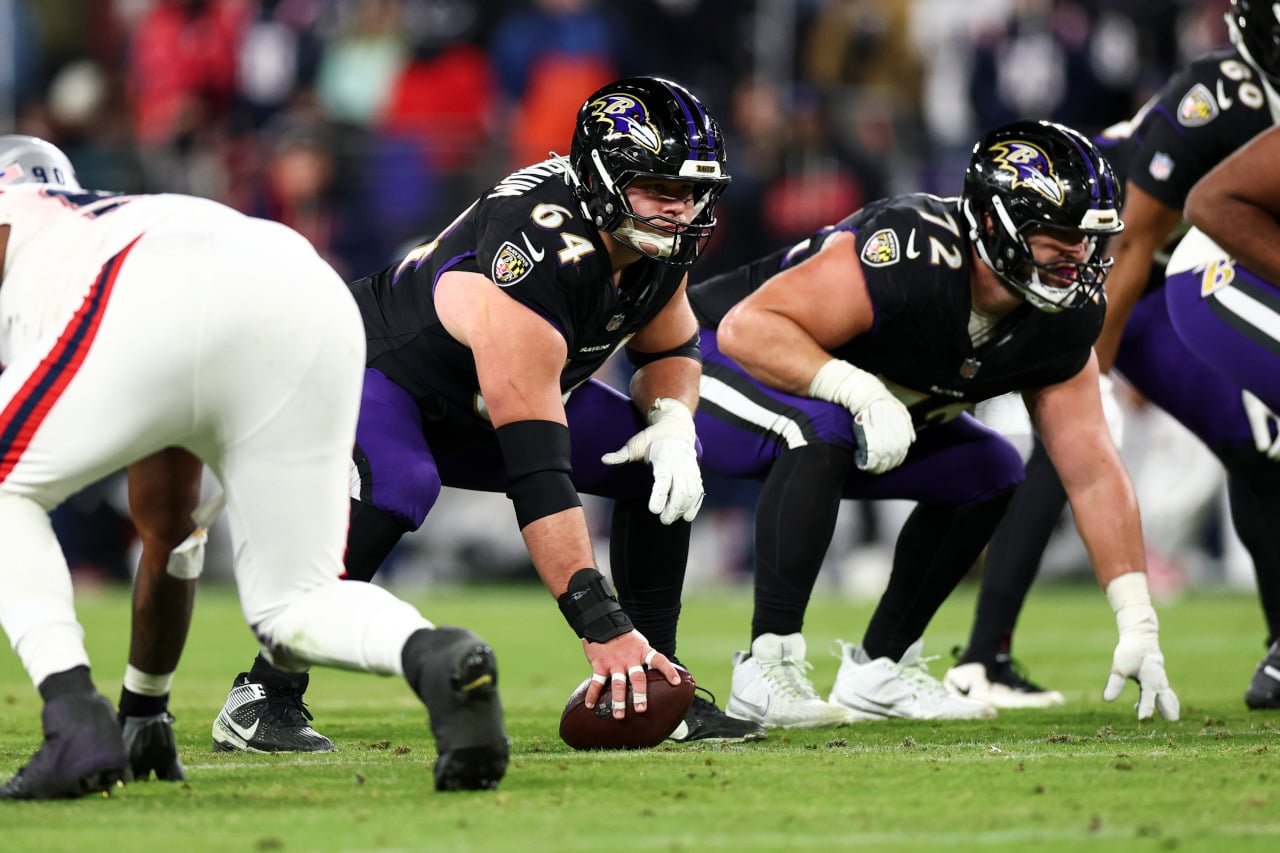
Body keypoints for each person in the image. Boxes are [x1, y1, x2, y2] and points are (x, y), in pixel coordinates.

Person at [196, 76, 765, 751]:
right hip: (378, 367)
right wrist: (600, 625)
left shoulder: (648, 241)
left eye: (692, 192)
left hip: (486, 393)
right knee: (401, 481)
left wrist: (672, 421)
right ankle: (264, 692)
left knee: (653, 460)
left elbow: (669, 346)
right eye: (659, 189)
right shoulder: (536, 256)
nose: (680, 210)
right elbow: (538, 474)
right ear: (600, 179)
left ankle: (652, 682)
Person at [0, 135, 508, 799]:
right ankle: (437, 655)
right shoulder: (112, 219)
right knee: (294, 600)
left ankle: (71, 715)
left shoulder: (30, 224)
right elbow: (170, 527)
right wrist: (145, 707)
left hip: (156, 292)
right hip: (306, 286)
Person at [685, 119, 1180, 728]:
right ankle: (768, 667)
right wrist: (858, 390)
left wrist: (1137, 619)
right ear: (994, 224)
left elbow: (1093, 471)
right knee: (824, 422)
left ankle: (880, 667)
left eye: (1090, 239)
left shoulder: (1065, 318)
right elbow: (749, 328)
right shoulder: (913, 252)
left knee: (990, 469)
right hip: (713, 360)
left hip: (841, 416)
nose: (1077, 257)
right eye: (1060, 235)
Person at [946, 0, 1280, 712]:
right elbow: (1131, 240)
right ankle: (982, 655)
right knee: (1068, 442)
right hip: (1096, 268)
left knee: (1256, 444)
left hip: (1177, 279)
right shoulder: (1220, 96)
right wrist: (1096, 366)